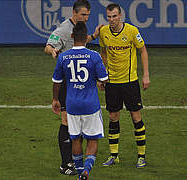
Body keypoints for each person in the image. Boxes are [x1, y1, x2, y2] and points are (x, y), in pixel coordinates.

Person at [44, 0, 101, 175]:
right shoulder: (63, 29)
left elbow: (80, 43)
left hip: (78, 83)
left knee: (77, 125)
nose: (85, 18)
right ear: (74, 13)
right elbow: (48, 46)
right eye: (83, 15)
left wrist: (93, 36)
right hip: (68, 84)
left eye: (88, 15)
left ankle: (74, 161)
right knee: (67, 123)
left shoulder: (78, 30)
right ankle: (66, 164)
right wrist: (53, 51)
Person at [52, 21, 108, 180]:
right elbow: (103, 78)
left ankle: (79, 169)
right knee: (93, 138)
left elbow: (57, 82)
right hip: (90, 105)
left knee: (76, 138)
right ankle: (86, 171)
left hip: (72, 104)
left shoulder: (63, 57)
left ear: (71, 36)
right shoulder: (94, 56)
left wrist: (56, 99)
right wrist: (99, 81)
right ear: (86, 38)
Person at [98, 3, 150, 168]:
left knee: (136, 117)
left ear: (120, 16)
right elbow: (103, 52)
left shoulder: (132, 31)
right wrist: (103, 75)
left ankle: (141, 156)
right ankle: (114, 155)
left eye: (114, 16)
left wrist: (146, 75)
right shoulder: (104, 32)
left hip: (130, 82)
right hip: (112, 83)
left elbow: (143, 51)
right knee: (113, 117)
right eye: (109, 17)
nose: (111, 20)